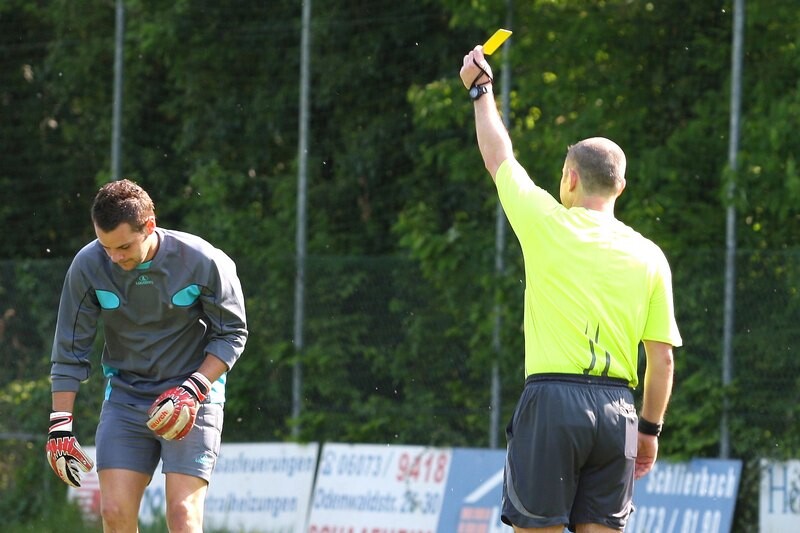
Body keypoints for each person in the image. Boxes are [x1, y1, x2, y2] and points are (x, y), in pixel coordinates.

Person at [459, 45, 682, 533]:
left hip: (553, 402)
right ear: (620, 187)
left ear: (570, 179)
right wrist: (648, 431)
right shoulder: (650, 255)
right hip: (620, 411)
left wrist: (481, 89)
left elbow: (499, 156)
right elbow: (662, 359)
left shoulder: (548, 223)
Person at [46, 179, 248, 532]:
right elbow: (69, 350)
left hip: (193, 397)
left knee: (183, 516)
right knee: (114, 511)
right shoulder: (87, 265)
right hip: (126, 397)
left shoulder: (203, 260)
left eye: (124, 246)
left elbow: (232, 333)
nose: (114, 257)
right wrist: (60, 425)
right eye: (106, 247)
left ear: (149, 226)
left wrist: (194, 389)